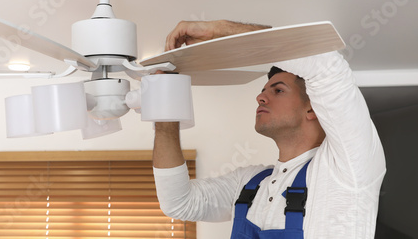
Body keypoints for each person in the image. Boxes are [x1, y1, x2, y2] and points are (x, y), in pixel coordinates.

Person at [152, 20, 386, 238]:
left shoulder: (348, 169)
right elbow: (179, 202)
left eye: (278, 90)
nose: (260, 97)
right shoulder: (249, 183)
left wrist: (219, 31)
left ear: (312, 109)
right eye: (264, 90)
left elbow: (324, 62)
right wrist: (165, 114)